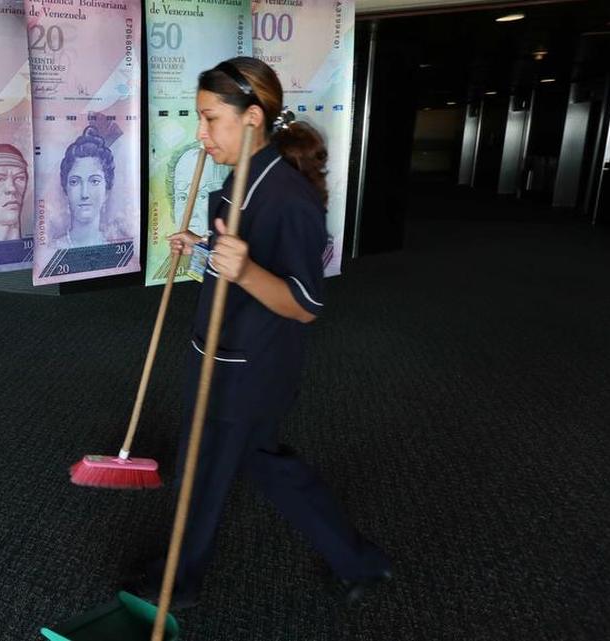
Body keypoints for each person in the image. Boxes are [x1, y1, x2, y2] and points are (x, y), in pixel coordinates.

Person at [133, 57, 391, 608]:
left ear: (252, 117)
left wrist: (242, 269)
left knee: (211, 466)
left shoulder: (289, 199)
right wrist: (204, 247)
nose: (200, 135)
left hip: (254, 365)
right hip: (220, 348)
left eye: (210, 120)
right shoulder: (240, 177)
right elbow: (240, 255)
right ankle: (358, 562)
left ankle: (179, 579)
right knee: (255, 462)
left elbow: (305, 304)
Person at [56, 126, 115, 247]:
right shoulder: (51, 250)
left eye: (94, 181)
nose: (84, 194)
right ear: (65, 190)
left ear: (107, 191)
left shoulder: (115, 250)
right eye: (74, 182)